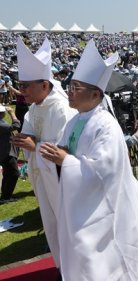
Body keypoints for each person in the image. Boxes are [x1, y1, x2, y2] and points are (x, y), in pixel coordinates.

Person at [39, 39, 138, 280]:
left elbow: (104, 170)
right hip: (80, 203)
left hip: (103, 207)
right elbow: (66, 152)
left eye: (76, 87)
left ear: (96, 93)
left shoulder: (105, 124)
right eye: (70, 86)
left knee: (105, 262)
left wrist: (66, 161)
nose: (70, 92)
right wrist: (55, 155)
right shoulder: (74, 121)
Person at [10, 37, 76, 276]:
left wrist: (33, 144)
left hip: (61, 180)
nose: (22, 91)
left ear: (45, 85)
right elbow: (29, 134)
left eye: (26, 86)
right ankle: (62, 266)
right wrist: (22, 140)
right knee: (51, 224)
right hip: (43, 178)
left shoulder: (61, 108)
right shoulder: (35, 108)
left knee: (68, 225)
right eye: (21, 85)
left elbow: (65, 151)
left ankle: (74, 268)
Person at [0, 105, 20, 203]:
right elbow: (16, 126)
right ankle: (6, 197)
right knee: (14, 173)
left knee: (8, 174)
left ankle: (5, 196)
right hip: (6, 152)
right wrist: (12, 114)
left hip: (4, 151)